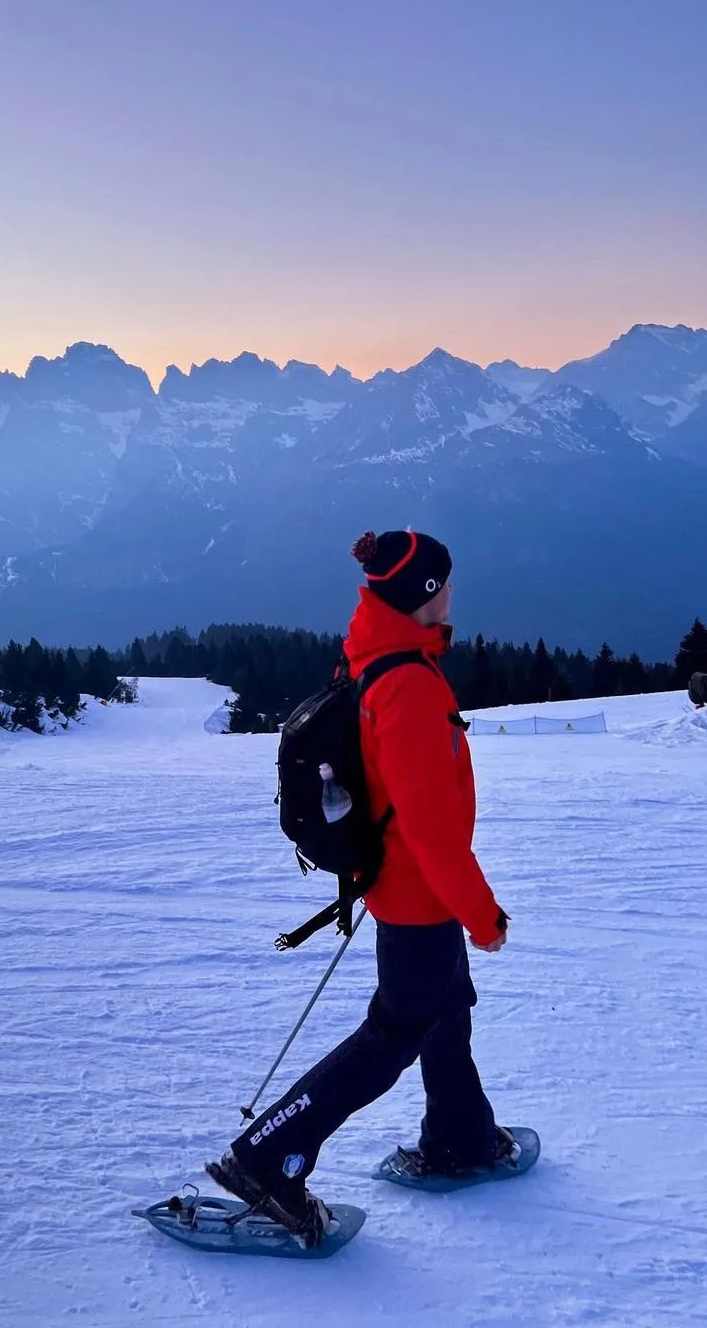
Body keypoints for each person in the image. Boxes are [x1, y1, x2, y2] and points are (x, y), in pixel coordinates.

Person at [207, 528, 512, 1246]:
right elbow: (432, 831)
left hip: (408, 888)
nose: (453, 593)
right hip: (417, 895)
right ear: (426, 596)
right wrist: (483, 915)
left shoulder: (387, 658)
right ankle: (267, 1159)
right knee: (391, 1035)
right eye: (446, 583)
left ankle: (462, 1135)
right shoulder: (406, 685)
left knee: (445, 1004)